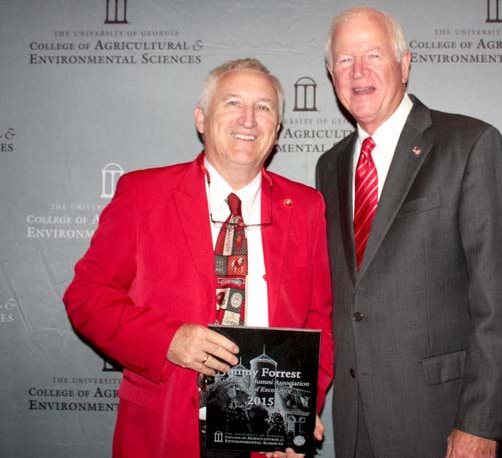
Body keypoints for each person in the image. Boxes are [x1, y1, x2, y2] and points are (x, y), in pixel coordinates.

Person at [64, 58, 334, 458]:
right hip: (165, 431)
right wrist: (168, 339)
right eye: (232, 103)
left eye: (263, 108)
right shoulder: (143, 194)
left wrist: (299, 406)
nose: (248, 119)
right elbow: (87, 297)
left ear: (276, 130)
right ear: (201, 119)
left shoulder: (307, 207)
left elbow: (319, 320)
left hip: (266, 437)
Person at [316, 7, 502, 458]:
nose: (358, 72)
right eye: (344, 60)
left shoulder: (469, 144)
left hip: (444, 422)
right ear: (331, 73)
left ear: (405, 63)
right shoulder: (329, 166)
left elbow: (501, 303)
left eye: (373, 55)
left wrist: (482, 426)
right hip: (356, 426)